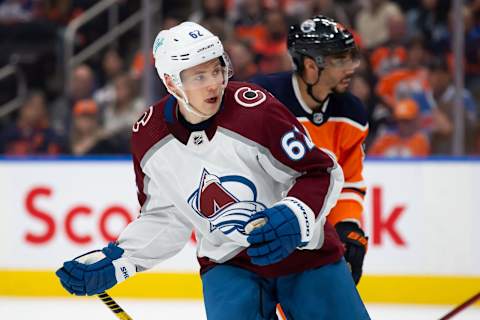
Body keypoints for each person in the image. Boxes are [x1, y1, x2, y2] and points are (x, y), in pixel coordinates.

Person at [55, 21, 370, 320]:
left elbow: (320, 172)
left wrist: (294, 215)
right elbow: (165, 216)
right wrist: (119, 262)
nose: (215, 84)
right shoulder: (150, 136)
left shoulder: (257, 110)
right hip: (229, 263)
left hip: (305, 254)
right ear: (170, 82)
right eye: (199, 76)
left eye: (217, 70)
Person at [250, 15, 369, 286]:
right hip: (258, 234)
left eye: (351, 58)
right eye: (340, 60)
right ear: (310, 66)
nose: (351, 67)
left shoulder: (351, 113)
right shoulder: (262, 99)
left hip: (313, 237)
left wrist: (348, 225)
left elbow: (349, 182)